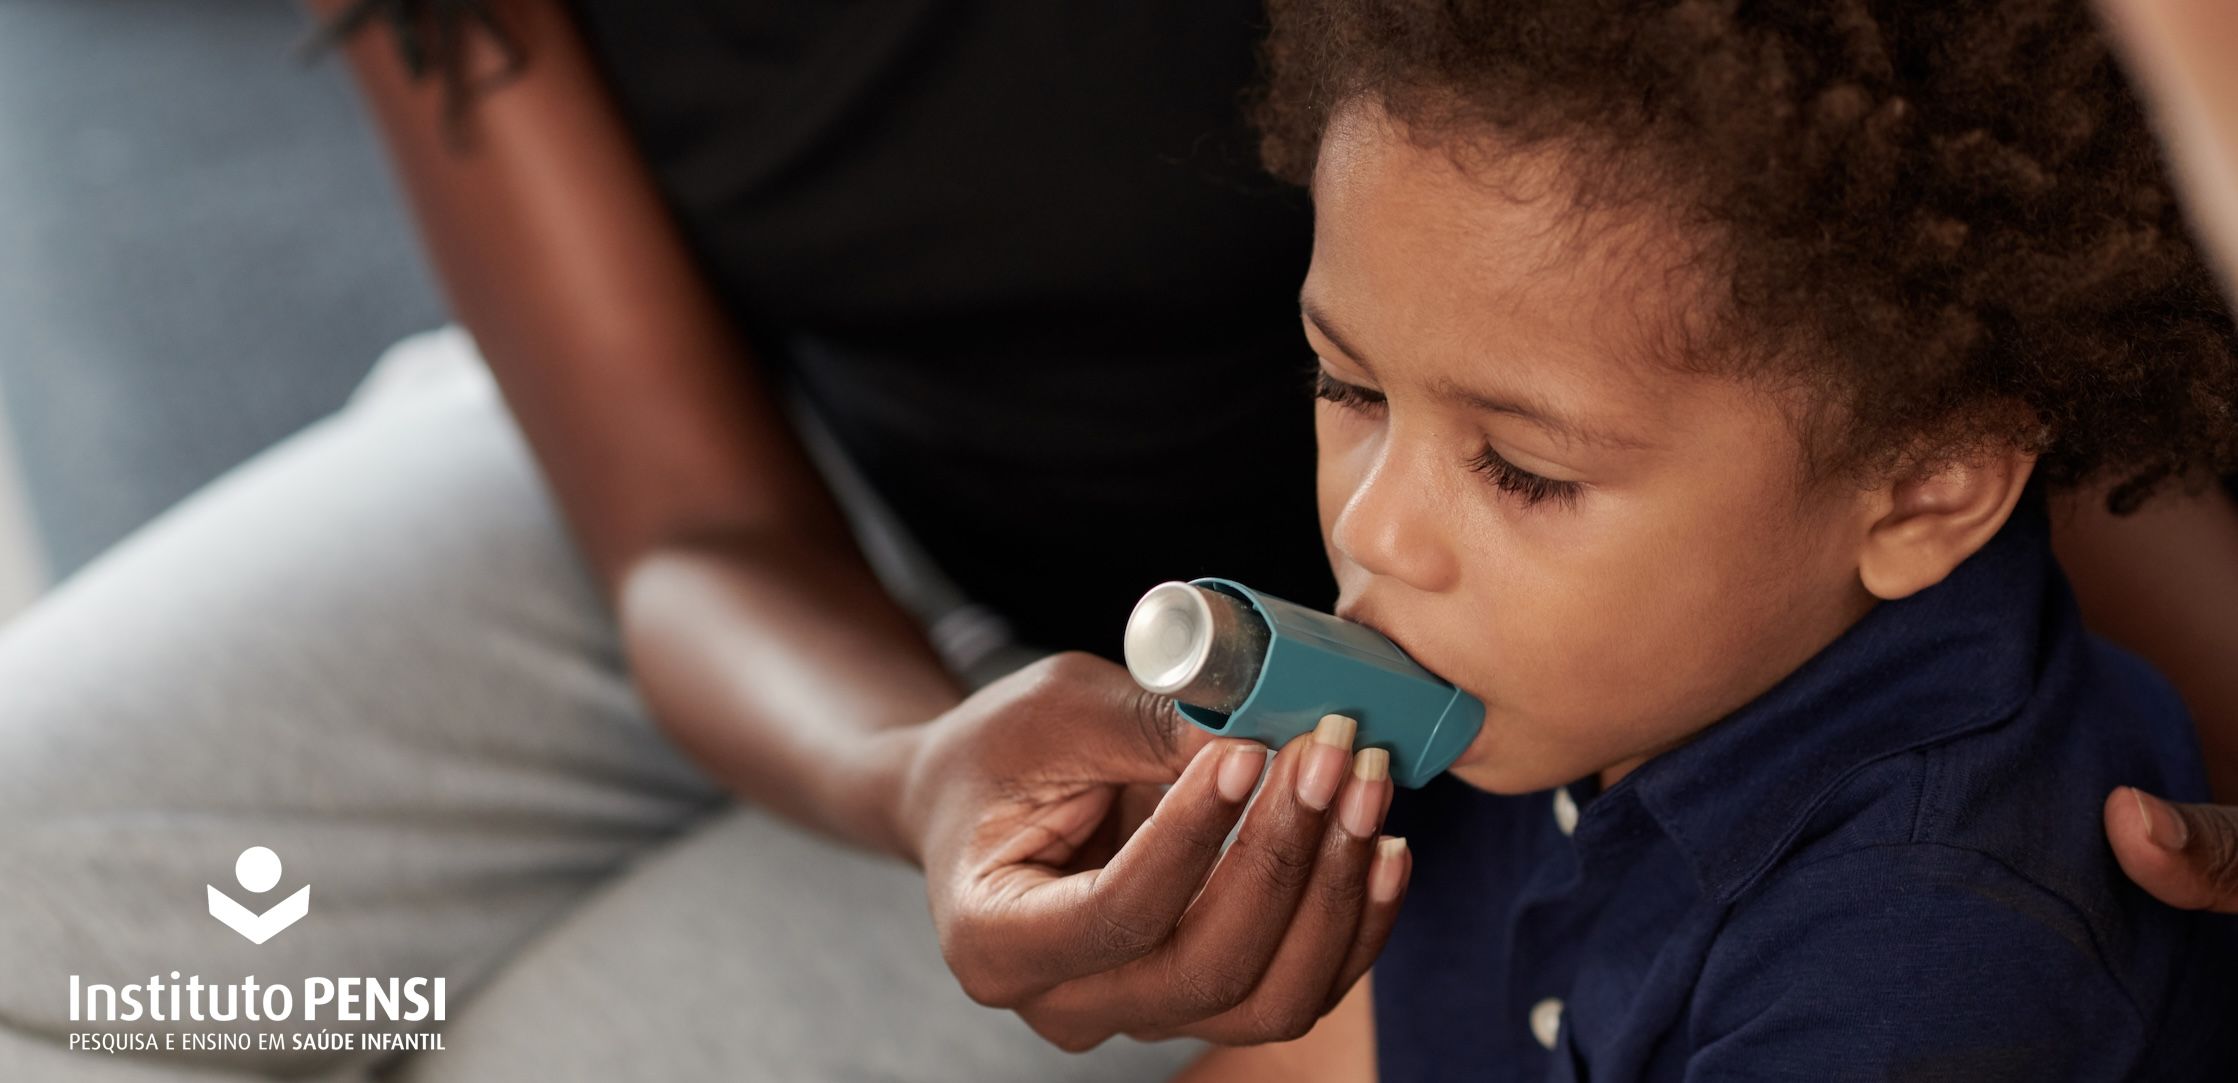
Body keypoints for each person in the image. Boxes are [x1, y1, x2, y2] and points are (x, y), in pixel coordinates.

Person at [1172, 0, 2238, 1078]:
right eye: (1348, 386)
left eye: (1523, 472)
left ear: (1922, 492)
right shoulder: (1555, 679)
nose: (1373, 529)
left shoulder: (1934, 964)